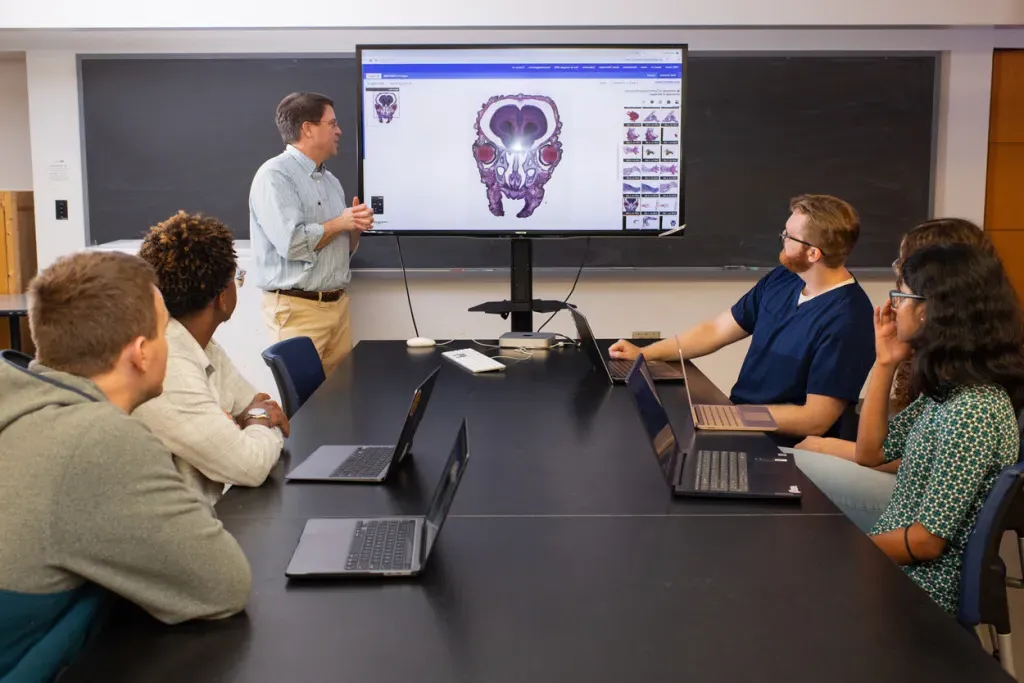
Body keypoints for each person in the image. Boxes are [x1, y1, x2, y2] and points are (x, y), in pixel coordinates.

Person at [0, 251, 251, 682]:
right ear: (140, 353)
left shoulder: (21, 399)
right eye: (162, 332)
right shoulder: (97, 439)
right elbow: (223, 585)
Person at [609, 194, 874, 442]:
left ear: (813, 253)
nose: (782, 239)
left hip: (785, 445)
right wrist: (645, 353)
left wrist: (729, 417)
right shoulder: (783, 278)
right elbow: (716, 329)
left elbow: (814, 420)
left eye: (789, 236)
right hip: (743, 422)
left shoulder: (848, 320)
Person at [791, 218, 994, 532]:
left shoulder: (969, 379)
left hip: (922, 505)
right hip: (909, 486)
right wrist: (886, 363)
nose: (896, 269)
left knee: (792, 468)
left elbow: (931, 463)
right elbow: (878, 450)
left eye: (903, 261)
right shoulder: (935, 346)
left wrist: (831, 447)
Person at [855, 243, 1024, 615]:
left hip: (919, 588)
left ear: (930, 310)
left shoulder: (971, 411)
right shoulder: (948, 392)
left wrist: (847, 553)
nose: (893, 306)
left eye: (901, 295)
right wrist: (885, 363)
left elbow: (927, 543)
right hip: (898, 565)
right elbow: (869, 453)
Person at [134, 211, 289, 507]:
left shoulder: (201, 345)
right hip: (175, 540)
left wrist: (251, 419)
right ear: (221, 297)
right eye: (237, 278)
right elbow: (251, 464)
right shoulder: (168, 366)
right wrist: (255, 420)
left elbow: (259, 403)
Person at [250, 91, 374, 375]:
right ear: (308, 128)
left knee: (342, 402)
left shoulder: (331, 181)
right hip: (298, 311)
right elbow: (292, 243)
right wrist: (341, 222)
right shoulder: (275, 175)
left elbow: (341, 247)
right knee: (306, 408)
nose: (339, 130)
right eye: (332, 124)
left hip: (337, 308)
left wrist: (355, 225)